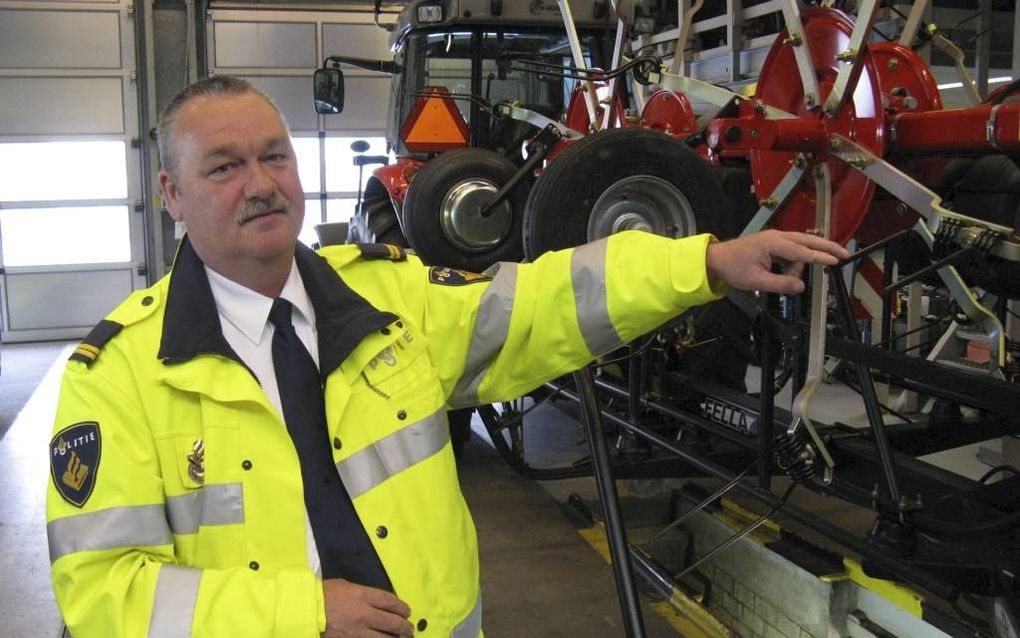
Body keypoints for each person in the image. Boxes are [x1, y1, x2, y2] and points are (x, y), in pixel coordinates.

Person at [46, 76, 849, 638]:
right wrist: (300, 615)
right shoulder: (118, 378)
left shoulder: (389, 303)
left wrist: (703, 264)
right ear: (171, 194)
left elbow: (544, 301)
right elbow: (105, 594)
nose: (261, 184)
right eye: (224, 167)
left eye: (275, 156)